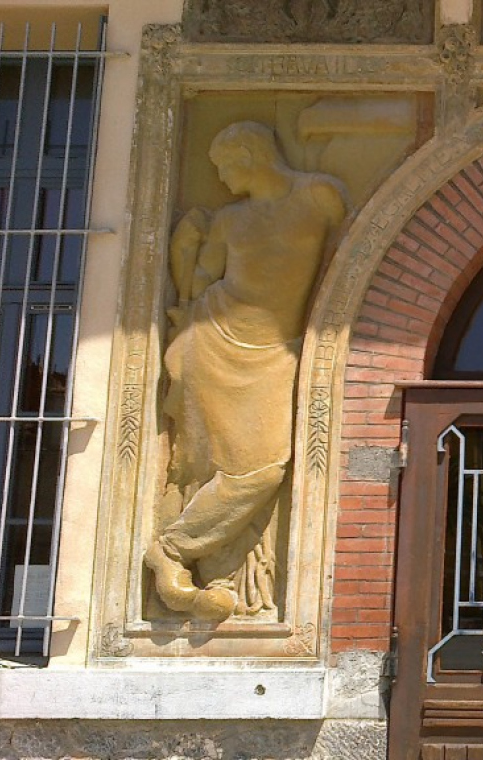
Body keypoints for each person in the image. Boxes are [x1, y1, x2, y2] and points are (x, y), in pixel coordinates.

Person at [146, 121, 346, 621]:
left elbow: (352, 265)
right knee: (227, 464)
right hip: (213, 343)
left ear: (252, 154)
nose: (222, 178)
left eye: (225, 165)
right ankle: (179, 555)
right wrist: (182, 248)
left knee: (266, 466)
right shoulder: (230, 220)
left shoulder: (319, 195)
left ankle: (173, 550)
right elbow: (197, 283)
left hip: (277, 354)